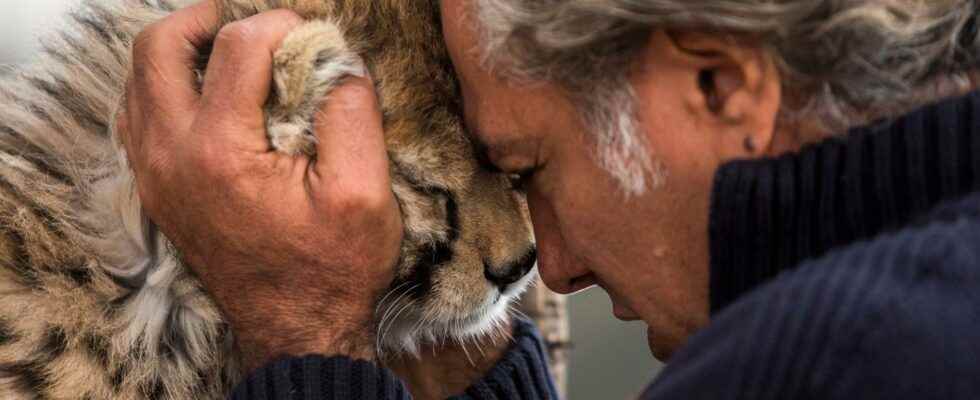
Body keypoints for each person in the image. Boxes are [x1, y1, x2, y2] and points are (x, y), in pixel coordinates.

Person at [117, 0, 980, 398]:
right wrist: (476, 372)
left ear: (718, 86)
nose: (549, 272)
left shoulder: (846, 360)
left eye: (528, 168)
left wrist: (305, 331)